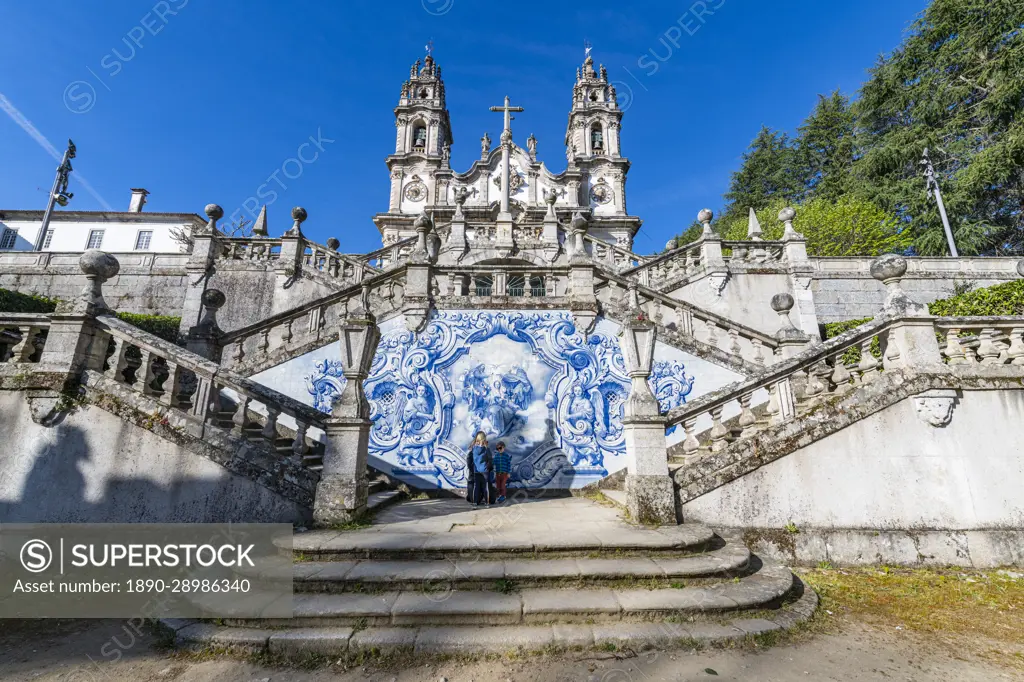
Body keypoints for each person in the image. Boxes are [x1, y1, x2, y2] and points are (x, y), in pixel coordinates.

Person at [465, 431, 493, 506]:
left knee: (477, 488)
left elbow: (469, 461)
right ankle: (484, 502)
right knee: (483, 488)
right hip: (481, 472)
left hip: (478, 472)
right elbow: (490, 459)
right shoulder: (482, 450)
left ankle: (476, 501)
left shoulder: (475, 449)